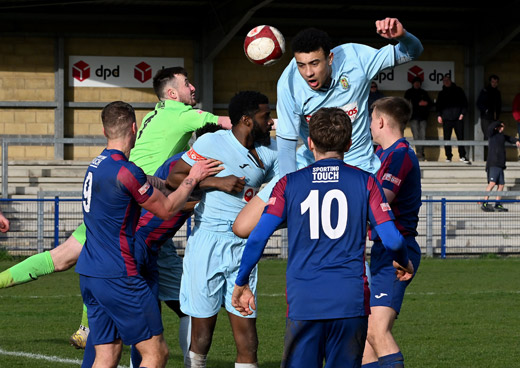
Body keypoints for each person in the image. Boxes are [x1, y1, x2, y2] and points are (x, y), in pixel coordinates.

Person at [0, 66, 231, 351]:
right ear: (172, 93)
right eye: (187, 83)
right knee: (77, 260)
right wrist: (274, 124)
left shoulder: (153, 114)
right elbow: (229, 123)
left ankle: (93, 329)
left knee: (68, 258)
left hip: (130, 197)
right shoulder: (182, 114)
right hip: (136, 202)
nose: (193, 87)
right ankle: (97, 330)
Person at [231, 107, 413, 368]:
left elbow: (258, 237)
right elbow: (393, 240)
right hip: (350, 301)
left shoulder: (288, 184)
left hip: (304, 300)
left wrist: (242, 282)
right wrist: (403, 261)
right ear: (349, 144)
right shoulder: (367, 182)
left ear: (310, 143)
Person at [75, 101, 221, 368]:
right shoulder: (125, 171)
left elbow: (143, 183)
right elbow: (166, 209)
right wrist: (193, 177)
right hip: (119, 274)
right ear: (134, 128)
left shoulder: (97, 165)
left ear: (105, 131)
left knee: (107, 353)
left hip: (90, 272)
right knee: (156, 353)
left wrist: (165, 182)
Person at [166, 91, 277, 368]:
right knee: (202, 334)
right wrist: (217, 182)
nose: (271, 121)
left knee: (248, 337)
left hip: (243, 248)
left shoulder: (270, 153)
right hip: (208, 243)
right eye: (265, 115)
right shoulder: (211, 142)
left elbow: (282, 189)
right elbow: (174, 178)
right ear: (246, 120)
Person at [276, 18, 423, 179]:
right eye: (301, 65)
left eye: (314, 63)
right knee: (257, 204)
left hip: (358, 167)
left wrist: (403, 36)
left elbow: (412, 52)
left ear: (330, 58)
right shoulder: (288, 84)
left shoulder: (356, 58)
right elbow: (286, 148)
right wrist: (287, 190)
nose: (308, 72)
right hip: (311, 165)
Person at [362, 97, 422, 368]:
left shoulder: (400, 155)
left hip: (396, 250)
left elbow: (381, 199)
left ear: (381, 121)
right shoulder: (381, 155)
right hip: (381, 249)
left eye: (372, 120)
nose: (370, 126)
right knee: (365, 338)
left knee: (377, 332)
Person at [480, 121, 520, 212]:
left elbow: (510, 138)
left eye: (503, 127)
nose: (502, 128)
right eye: (500, 127)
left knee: (501, 185)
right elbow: (490, 127)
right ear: (497, 127)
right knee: (492, 183)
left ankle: (498, 204)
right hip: (493, 163)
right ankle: (484, 202)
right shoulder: (492, 134)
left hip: (500, 165)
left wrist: (517, 141)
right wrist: (498, 123)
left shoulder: (502, 136)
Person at [436, 75, 470, 163]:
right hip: (446, 119)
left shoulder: (459, 90)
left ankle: (462, 156)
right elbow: (438, 105)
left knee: (460, 137)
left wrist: (462, 113)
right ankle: (448, 156)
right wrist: (439, 115)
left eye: (447, 80)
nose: (446, 82)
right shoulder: (441, 93)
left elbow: (464, 103)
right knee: (447, 138)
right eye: (444, 80)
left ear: (451, 81)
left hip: (458, 118)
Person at [403, 76, 432, 161]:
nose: (417, 84)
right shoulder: (409, 92)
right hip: (413, 117)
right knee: (416, 136)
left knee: (422, 136)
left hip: (423, 117)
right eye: (415, 83)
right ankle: (418, 153)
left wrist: (426, 103)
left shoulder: (424, 92)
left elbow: (430, 103)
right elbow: (405, 104)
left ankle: (421, 153)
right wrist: (418, 104)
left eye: (418, 83)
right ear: (413, 83)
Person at [477, 74, 501, 139]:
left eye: (496, 82)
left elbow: (499, 105)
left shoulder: (497, 93)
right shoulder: (485, 91)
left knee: (494, 135)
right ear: (490, 82)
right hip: (486, 118)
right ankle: (488, 149)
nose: (494, 84)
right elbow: (479, 103)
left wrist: (497, 116)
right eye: (493, 82)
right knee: (487, 135)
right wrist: (486, 110)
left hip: (494, 117)